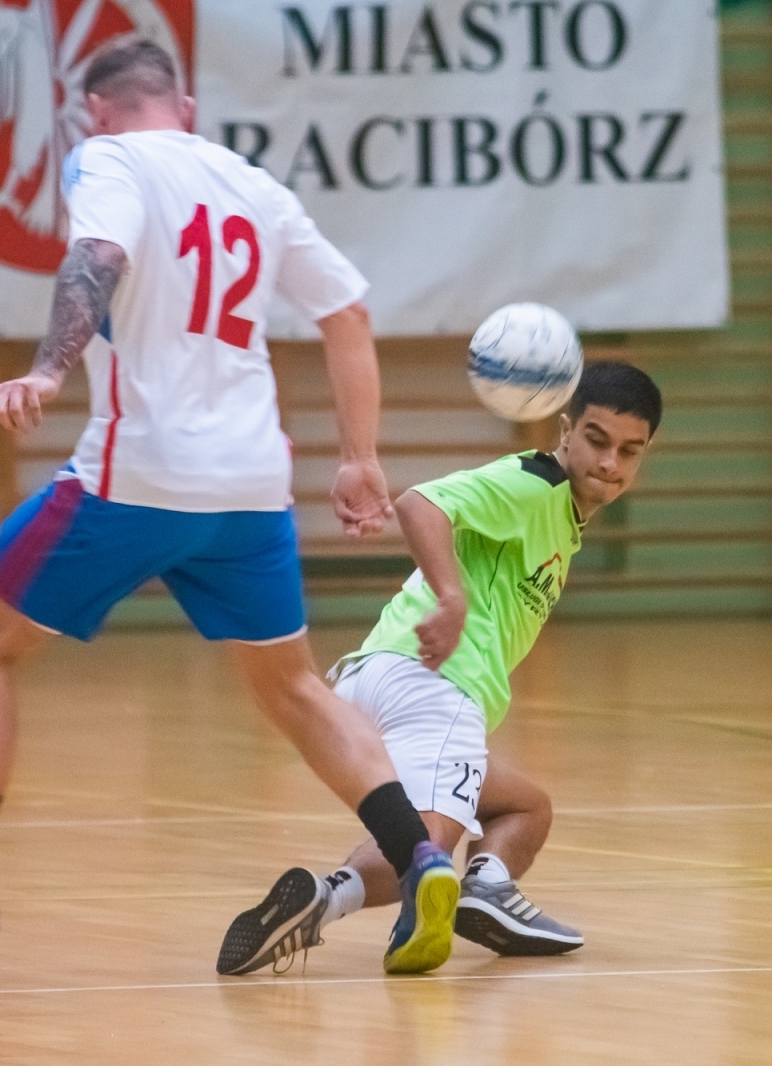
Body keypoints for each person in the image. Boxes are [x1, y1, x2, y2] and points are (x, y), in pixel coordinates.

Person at [0, 38, 458, 977]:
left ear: (94, 110)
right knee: (294, 690)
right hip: (251, 485)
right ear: (187, 104)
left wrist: (49, 368)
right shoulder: (254, 185)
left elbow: (98, 253)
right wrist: (360, 458)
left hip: (138, 476)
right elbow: (347, 316)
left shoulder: (111, 159)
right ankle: (418, 856)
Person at [217, 362, 663, 976]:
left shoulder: (562, 516)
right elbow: (420, 503)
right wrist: (452, 599)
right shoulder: (534, 484)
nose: (610, 463)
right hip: (435, 683)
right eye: (597, 439)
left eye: (628, 451)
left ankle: (489, 891)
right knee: (426, 855)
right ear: (565, 429)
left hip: (378, 675)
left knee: (525, 809)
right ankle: (326, 902)